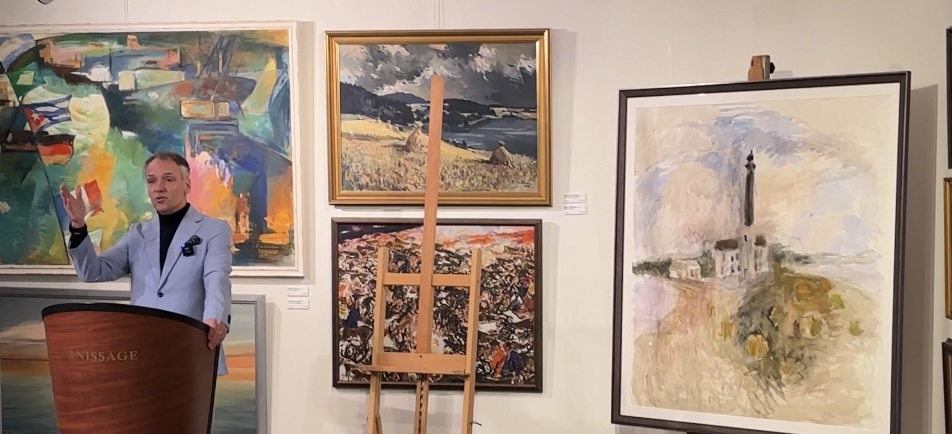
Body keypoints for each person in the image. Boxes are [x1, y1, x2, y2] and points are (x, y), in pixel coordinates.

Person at [59, 151, 233, 376]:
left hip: (191, 350)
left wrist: (215, 317)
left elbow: (216, 276)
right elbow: (93, 272)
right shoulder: (138, 234)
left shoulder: (213, 230)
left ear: (187, 184)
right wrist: (78, 226)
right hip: (142, 352)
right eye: (152, 181)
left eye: (168, 179)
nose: (159, 187)